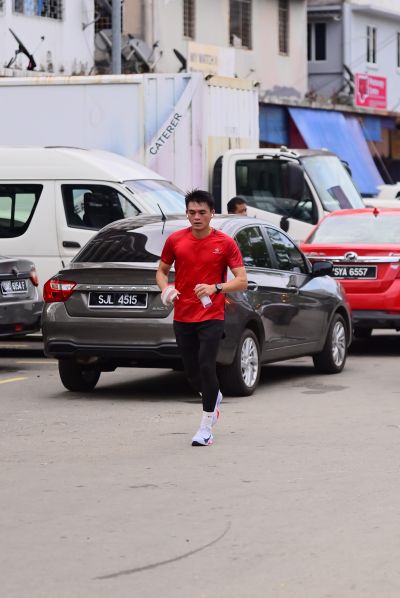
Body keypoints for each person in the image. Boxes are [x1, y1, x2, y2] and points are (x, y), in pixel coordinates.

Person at [156, 189, 247, 447]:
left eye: (202, 212)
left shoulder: (225, 243)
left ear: (212, 213)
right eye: (192, 212)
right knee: (192, 372)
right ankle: (212, 395)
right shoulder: (175, 240)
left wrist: (215, 287)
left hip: (211, 314)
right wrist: (166, 290)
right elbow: (161, 271)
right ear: (186, 213)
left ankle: (206, 427)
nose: (196, 217)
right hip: (183, 314)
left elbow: (242, 280)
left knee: (207, 366)